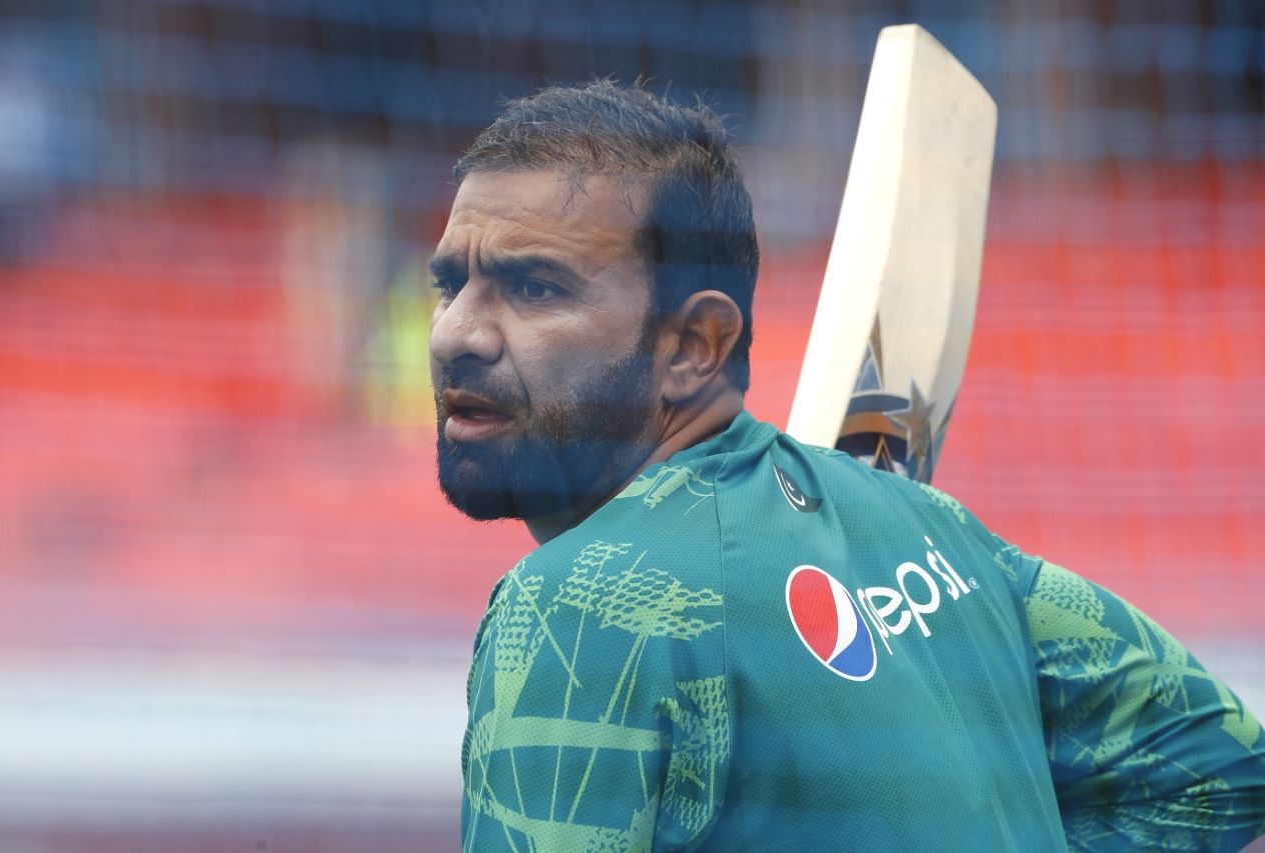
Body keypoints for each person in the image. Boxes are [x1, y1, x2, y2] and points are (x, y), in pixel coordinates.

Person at [429, 80, 1265, 851]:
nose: (455, 333)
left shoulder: (577, 604)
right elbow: (1219, 763)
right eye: (449, 284)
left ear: (692, 346)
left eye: (533, 288)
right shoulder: (937, 534)